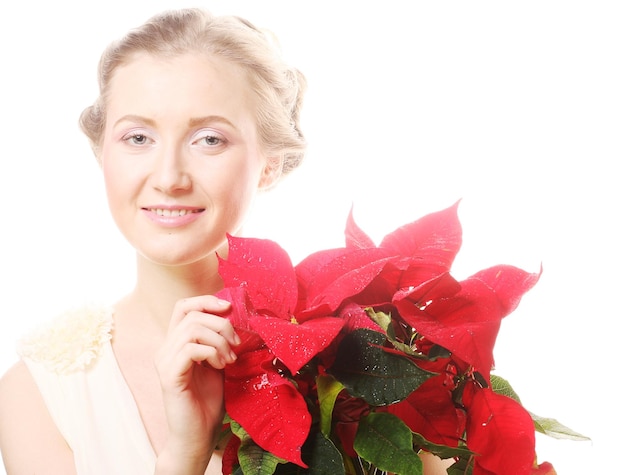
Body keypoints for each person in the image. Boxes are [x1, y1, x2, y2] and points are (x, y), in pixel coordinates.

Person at [0, 7, 449, 474]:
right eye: (137, 137)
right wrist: (183, 457)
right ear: (101, 152)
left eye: (209, 139)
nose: (169, 177)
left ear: (270, 161)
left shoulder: (368, 356)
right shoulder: (40, 392)